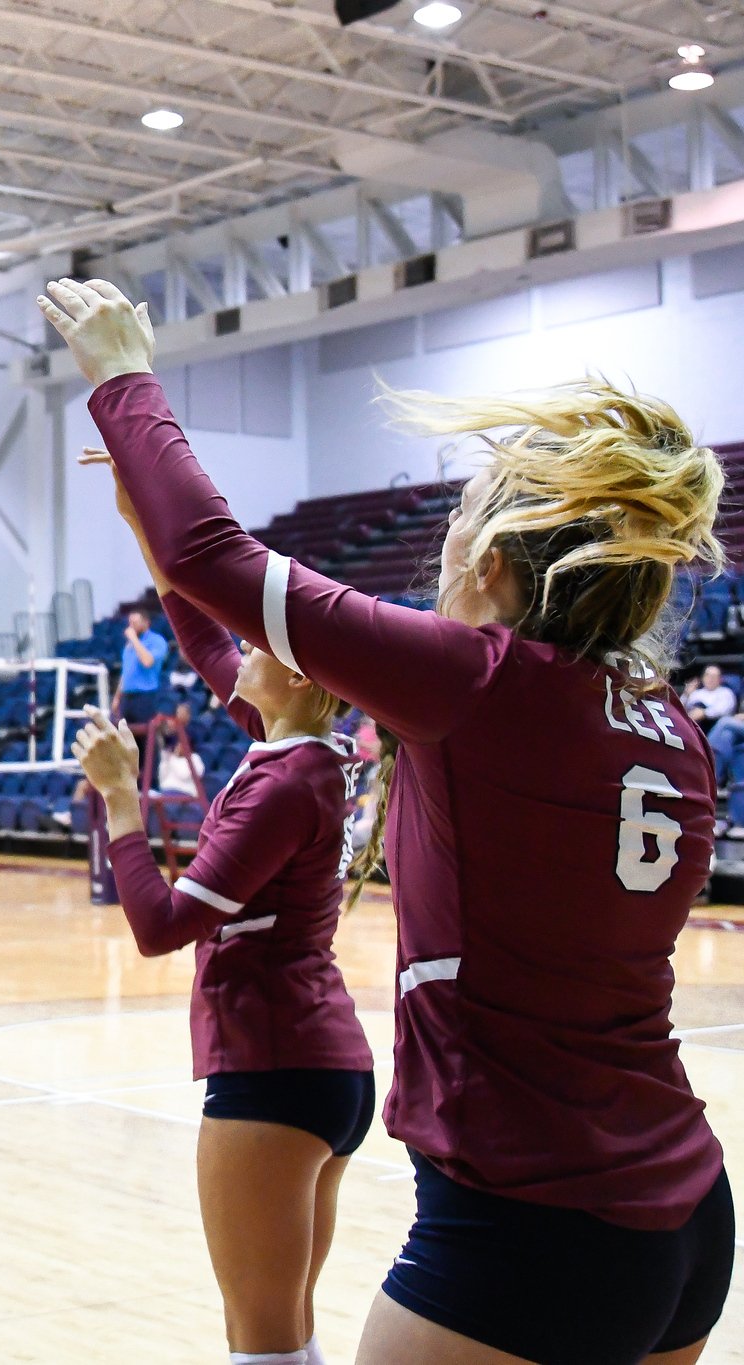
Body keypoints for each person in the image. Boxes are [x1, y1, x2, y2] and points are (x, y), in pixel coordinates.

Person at [43, 274, 731, 1365]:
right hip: (683, 1213)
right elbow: (242, 665)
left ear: (489, 565)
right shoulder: (665, 724)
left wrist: (126, 379)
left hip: (529, 1215)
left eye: (455, 521)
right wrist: (150, 532)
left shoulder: (478, 683)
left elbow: (217, 561)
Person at [73, 448, 370, 1365]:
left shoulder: (285, 784)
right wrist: (142, 524)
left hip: (275, 1066)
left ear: (302, 678)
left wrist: (119, 799)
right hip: (318, 1062)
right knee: (287, 1328)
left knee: (260, 1340)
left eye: (260, 643)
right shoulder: (300, 750)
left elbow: (161, 926)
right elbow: (204, 642)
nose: (240, 647)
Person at [117, 606, 170, 726]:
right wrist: (117, 698)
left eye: (135, 623)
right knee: (126, 733)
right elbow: (125, 672)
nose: (131, 626)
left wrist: (134, 639)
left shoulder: (156, 641)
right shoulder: (129, 645)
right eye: (130, 623)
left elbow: (147, 662)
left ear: (146, 622)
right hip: (127, 697)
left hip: (145, 696)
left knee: (145, 733)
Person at [683, 664, 734, 731]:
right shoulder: (696, 693)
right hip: (694, 725)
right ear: (703, 677)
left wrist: (704, 713)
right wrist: (686, 695)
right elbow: (681, 709)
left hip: (715, 726)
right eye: (708, 675)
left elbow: (723, 710)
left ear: (720, 679)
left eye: (714, 676)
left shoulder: (726, 692)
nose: (710, 679)